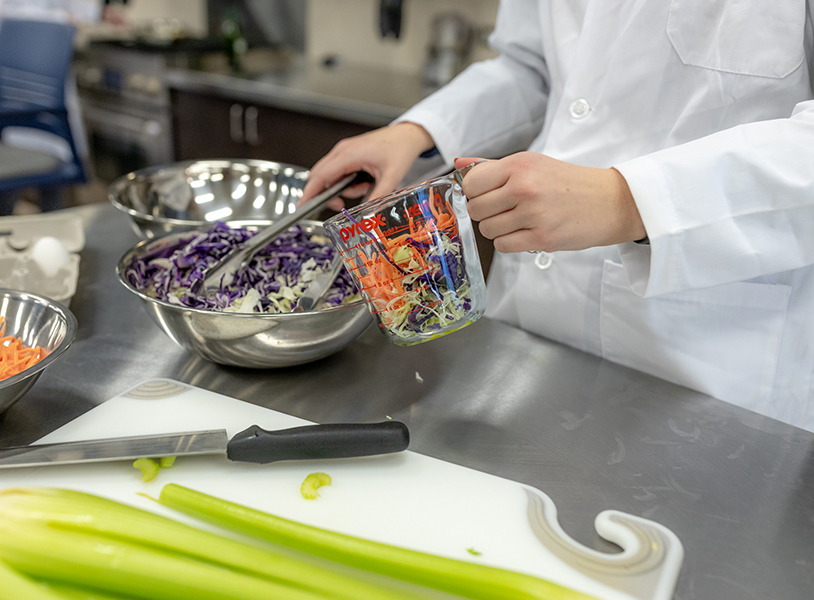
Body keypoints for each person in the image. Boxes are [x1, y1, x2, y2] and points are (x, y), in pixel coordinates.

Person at [301, 1, 814, 433]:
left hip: (709, 372)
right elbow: (532, 67)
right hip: (522, 341)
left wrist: (627, 201)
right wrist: (419, 131)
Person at [0, 0, 115, 210]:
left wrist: (99, 12)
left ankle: (54, 222)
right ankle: (5, 216)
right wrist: (58, 18)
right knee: (8, 158)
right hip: (1, 56)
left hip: (48, 55)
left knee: (55, 152)